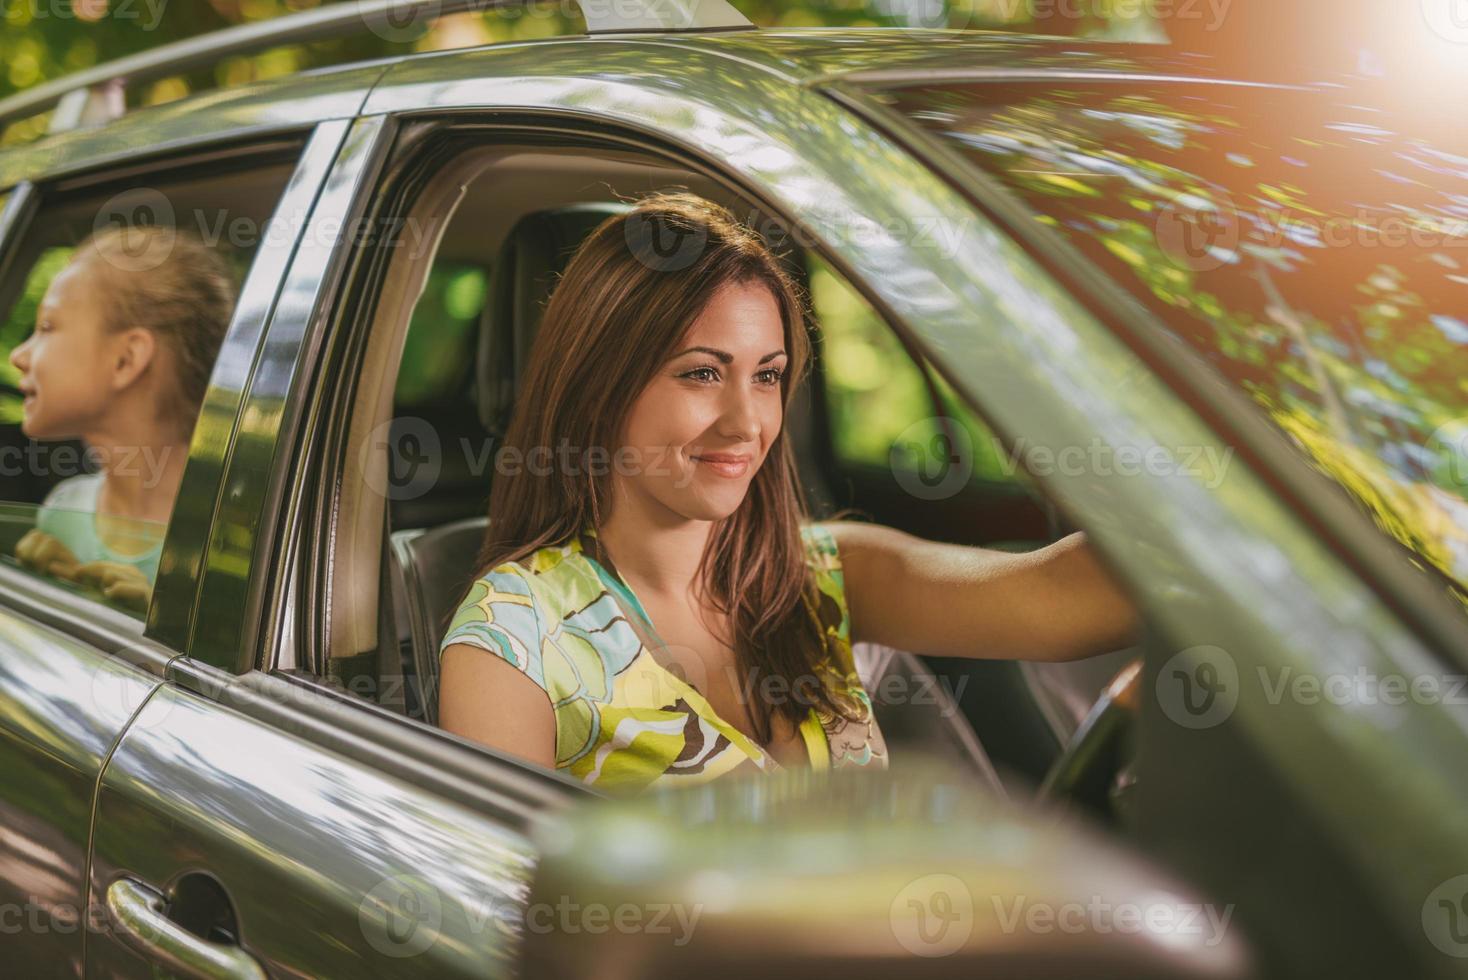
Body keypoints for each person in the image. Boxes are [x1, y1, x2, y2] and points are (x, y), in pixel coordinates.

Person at [438, 192, 1137, 794]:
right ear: (601, 385)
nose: (748, 423)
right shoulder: (514, 640)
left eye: (767, 376)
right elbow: (505, 926)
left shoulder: (820, 577)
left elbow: (1069, 598)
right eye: (702, 374)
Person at [9, 225, 235, 609]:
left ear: (126, 360)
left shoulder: (235, 543)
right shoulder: (62, 510)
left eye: (46, 327)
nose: (19, 356)